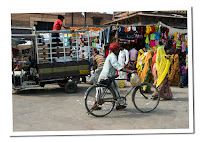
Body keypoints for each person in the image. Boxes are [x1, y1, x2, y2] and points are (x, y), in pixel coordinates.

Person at [97, 42, 137, 110]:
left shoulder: (111, 55)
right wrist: (130, 71)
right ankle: (117, 104)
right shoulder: (113, 57)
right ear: (115, 50)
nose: (119, 51)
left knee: (102, 90)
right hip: (107, 76)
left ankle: (116, 104)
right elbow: (118, 67)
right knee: (114, 90)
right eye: (118, 50)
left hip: (106, 75)